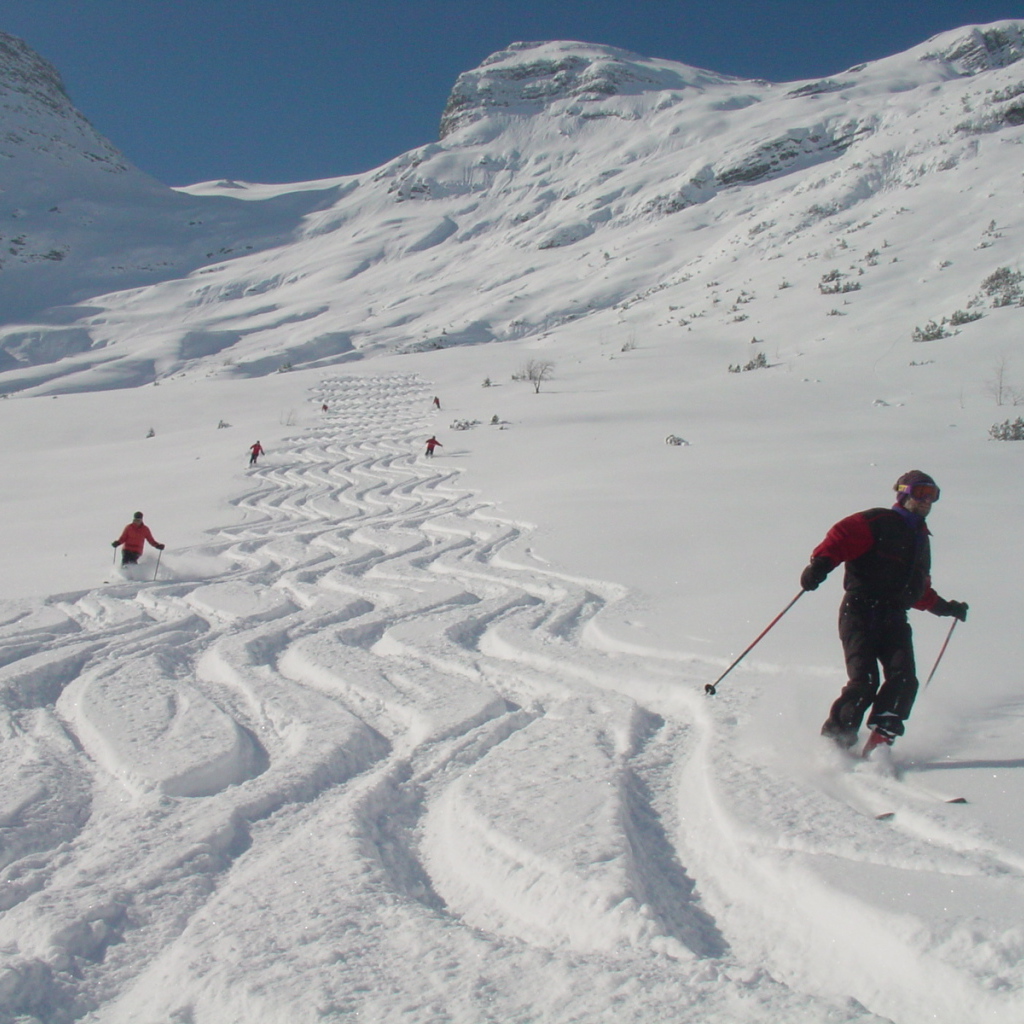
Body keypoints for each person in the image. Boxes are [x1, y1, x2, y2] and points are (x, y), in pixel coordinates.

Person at [800, 470, 968, 755]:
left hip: (894, 617)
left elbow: (918, 590)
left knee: (904, 680)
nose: (927, 501)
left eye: (932, 495)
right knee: (865, 682)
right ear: (903, 493)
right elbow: (842, 536)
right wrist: (821, 564)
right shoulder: (879, 521)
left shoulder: (921, 539)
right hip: (860, 610)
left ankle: (879, 743)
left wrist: (946, 608)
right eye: (920, 493)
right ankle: (834, 745)